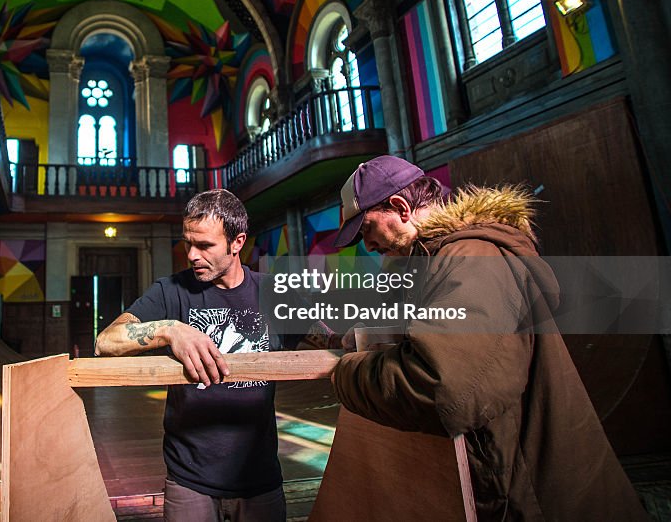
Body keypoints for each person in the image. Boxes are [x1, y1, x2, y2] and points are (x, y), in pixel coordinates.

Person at [329, 155, 648, 520]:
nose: (366, 244)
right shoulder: (431, 260)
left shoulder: (472, 256)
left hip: (530, 495)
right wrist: (369, 332)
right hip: (503, 483)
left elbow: (445, 386)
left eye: (365, 229)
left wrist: (346, 374)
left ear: (401, 207)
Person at [95, 188, 289, 522]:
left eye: (205, 245)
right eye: (188, 243)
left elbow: (329, 340)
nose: (192, 255)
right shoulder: (170, 292)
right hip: (190, 482)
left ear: (237, 242)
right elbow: (105, 342)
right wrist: (170, 328)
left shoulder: (273, 293)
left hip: (260, 477)